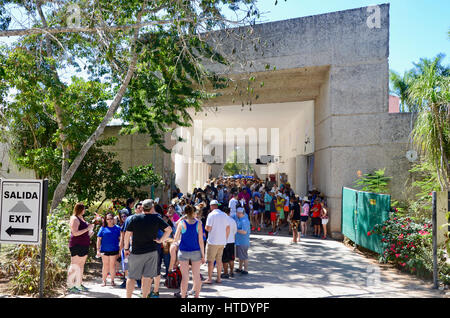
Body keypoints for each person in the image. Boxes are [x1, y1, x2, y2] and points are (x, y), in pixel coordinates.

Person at [123, 199, 172, 298]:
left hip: (136, 251)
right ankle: (144, 296)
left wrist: (126, 249)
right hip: (151, 251)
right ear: (152, 207)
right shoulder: (156, 218)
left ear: (142, 207)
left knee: (131, 277)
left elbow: (127, 235)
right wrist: (161, 240)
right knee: (147, 277)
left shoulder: (134, 218)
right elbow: (169, 230)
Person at [173, 205, 205, 298]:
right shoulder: (198, 223)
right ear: (193, 212)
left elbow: (176, 238)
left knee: (185, 277)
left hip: (183, 252)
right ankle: (197, 296)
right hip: (196, 251)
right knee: (196, 276)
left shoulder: (182, 223)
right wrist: (203, 255)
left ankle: (183, 296)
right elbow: (200, 241)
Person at [68, 202, 94, 293]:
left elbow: (84, 233)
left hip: (84, 244)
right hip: (76, 245)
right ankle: (71, 286)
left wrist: (90, 231)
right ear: (80, 209)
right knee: (74, 265)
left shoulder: (82, 218)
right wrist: (87, 229)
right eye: (84, 209)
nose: (85, 210)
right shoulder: (74, 219)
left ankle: (78, 284)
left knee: (81, 265)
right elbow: (75, 233)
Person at [203, 200, 230, 284]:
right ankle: (218, 278)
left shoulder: (211, 215)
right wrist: (225, 238)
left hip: (213, 241)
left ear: (211, 206)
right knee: (219, 261)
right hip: (222, 242)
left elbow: (208, 228)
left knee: (210, 261)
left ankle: (210, 278)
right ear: (217, 206)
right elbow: (228, 228)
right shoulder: (224, 215)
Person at [96, 212, 121, 286]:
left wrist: (120, 249)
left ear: (113, 219)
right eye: (108, 219)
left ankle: (112, 281)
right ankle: (104, 281)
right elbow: (99, 239)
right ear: (105, 220)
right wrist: (98, 250)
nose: (110, 220)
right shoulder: (102, 228)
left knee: (112, 265)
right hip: (104, 250)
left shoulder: (117, 228)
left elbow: (120, 239)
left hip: (114, 249)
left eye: (111, 218)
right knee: (105, 265)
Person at [221, 207, 237, 278]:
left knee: (225, 259)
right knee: (231, 258)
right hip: (232, 241)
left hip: (224, 241)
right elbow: (235, 231)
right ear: (229, 212)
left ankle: (225, 272)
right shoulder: (233, 221)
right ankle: (231, 272)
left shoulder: (222, 221)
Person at [235, 207, 250, 275]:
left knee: (244, 256)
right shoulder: (240, 219)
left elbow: (244, 232)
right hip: (239, 241)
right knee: (241, 256)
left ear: (241, 213)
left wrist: (235, 230)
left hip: (243, 241)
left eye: (237, 213)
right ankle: (240, 268)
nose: (236, 214)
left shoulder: (245, 221)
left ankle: (246, 269)